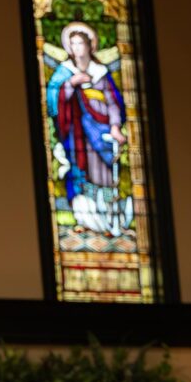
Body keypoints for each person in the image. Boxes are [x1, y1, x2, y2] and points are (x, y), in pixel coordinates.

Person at [46, 22, 132, 235]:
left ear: (89, 46)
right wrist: (71, 83)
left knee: (105, 176)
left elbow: (113, 102)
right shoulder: (65, 72)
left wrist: (114, 127)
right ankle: (85, 218)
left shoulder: (100, 72)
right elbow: (52, 99)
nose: (77, 48)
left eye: (80, 43)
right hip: (78, 135)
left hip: (101, 133)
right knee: (80, 173)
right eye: (72, 44)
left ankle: (108, 221)